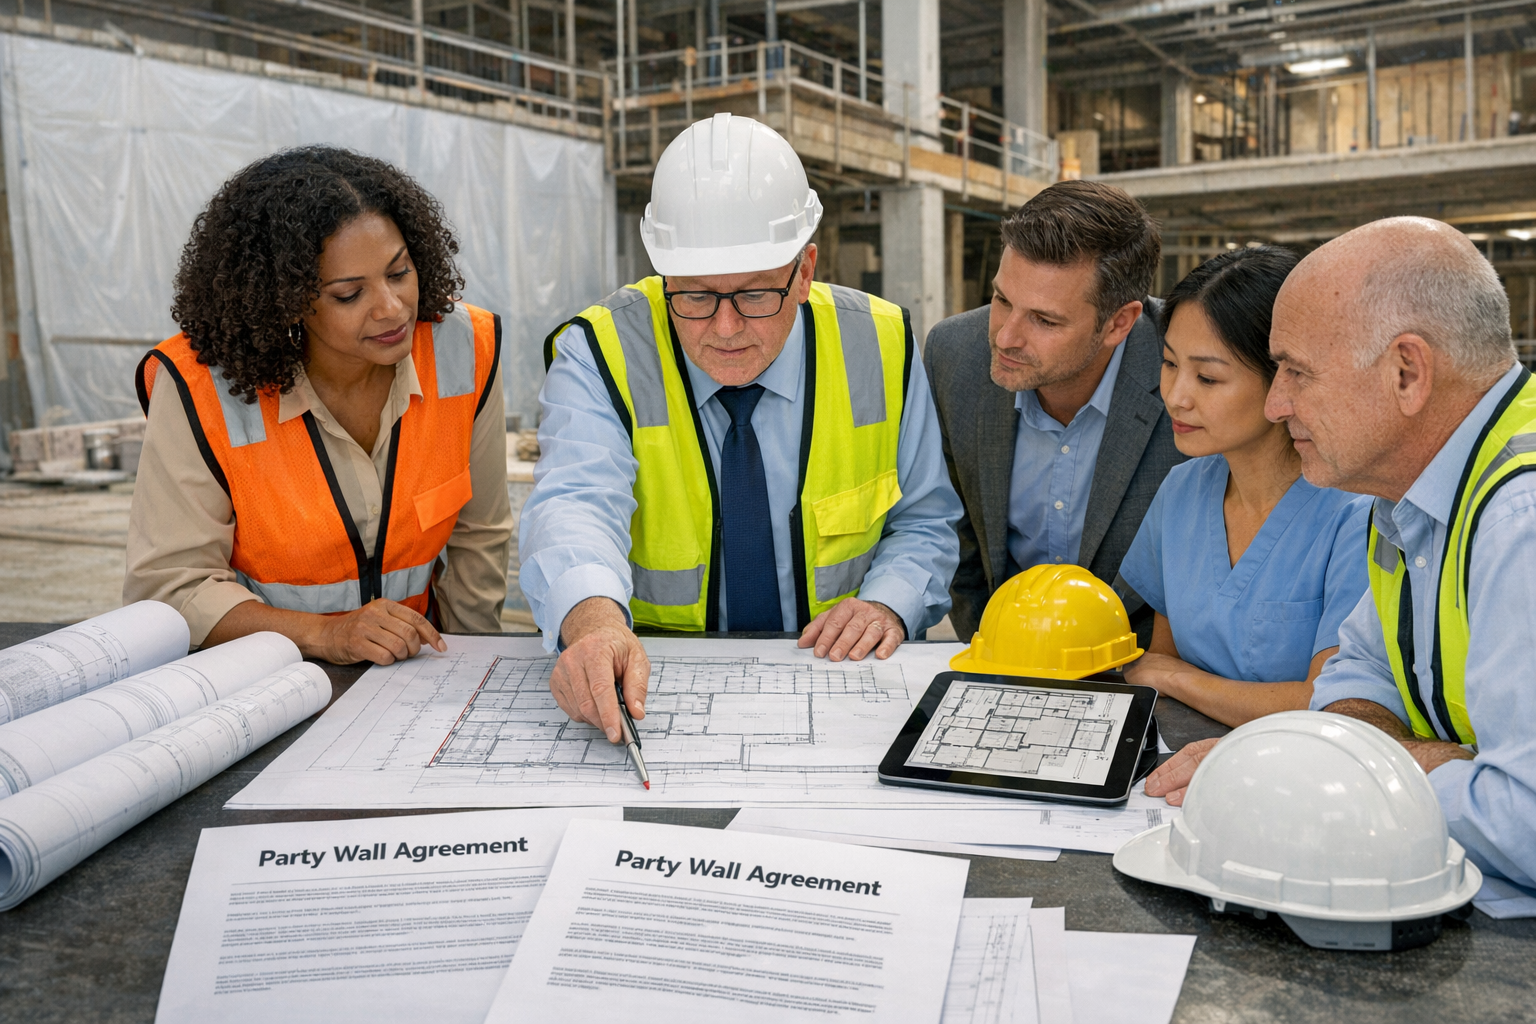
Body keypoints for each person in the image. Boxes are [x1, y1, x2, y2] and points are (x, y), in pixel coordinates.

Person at [520, 113, 962, 746]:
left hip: (839, 679)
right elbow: (573, 504)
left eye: (756, 295)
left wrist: (889, 602)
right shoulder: (602, 351)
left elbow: (924, 519)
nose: (725, 329)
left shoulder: (880, 343)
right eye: (695, 296)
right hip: (658, 682)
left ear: (804, 270)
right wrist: (592, 626)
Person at [1146, 217, 1536, 901]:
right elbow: (1357, 674)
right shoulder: (1408, 495)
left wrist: (1330, 768)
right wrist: (1420, 758)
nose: (1277, 402)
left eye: (1297, 372)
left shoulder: (1519, 520)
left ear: (1407, 373)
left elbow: (1525, 823)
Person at [126, 147, 512, 665]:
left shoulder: (466, 347)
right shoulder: (199, 385)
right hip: (256, 677)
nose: (392, 308)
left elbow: (478, 535)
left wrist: (469, 663)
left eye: (399, 273)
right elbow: (170, 588)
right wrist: (325, 635)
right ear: (283, 300)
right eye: (349, 294)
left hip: (413, 675)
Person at [1117, 247, 1371, 726]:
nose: (1176, 397)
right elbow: (1162, 658)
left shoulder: (1357, 514)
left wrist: (1179, 681)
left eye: (1208, 377)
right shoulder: (1181, 491)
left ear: (1284, 380)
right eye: (1170, 364)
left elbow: (1333, 705)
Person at [926, 181, 1185, 644]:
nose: (1005, 337)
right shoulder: (954, 354)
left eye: (1044, 320)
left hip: (1141, 666)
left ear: (1119, 323)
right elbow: (957, 536)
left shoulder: (1188, 367)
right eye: (1002, 300)